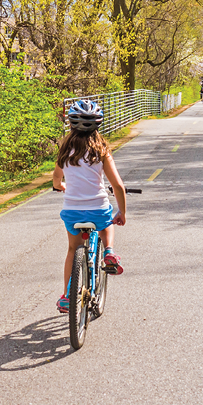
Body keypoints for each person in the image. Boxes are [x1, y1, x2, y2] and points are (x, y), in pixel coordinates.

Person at [55, 100, 133, 283]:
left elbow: (57, 180)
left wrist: (61, 186)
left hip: (72, 212)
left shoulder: (64, 152)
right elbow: (118, 186)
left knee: (72, 250)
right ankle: (109, 251)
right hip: (97, 209)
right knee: (107, 222)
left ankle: (67, 296)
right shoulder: (101, 152)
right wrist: (122, 212)